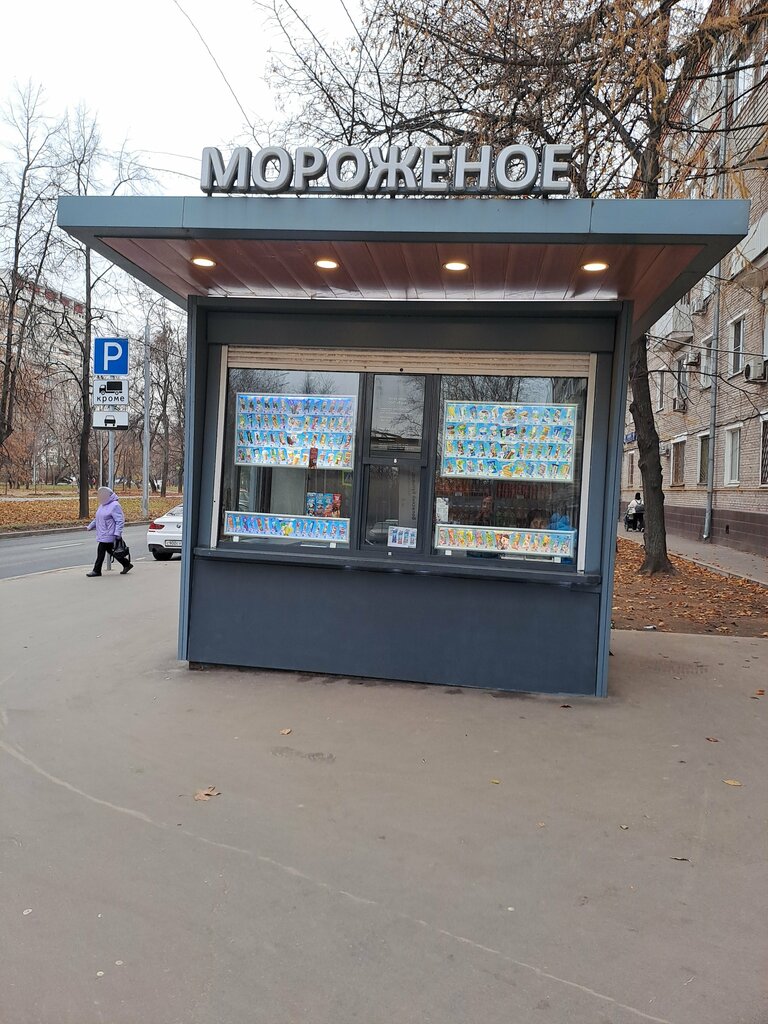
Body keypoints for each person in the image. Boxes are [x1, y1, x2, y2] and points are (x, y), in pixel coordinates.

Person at [85, 487, 133, 577]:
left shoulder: (115, 505)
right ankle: (126, 564)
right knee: (112, 551)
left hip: (110, 534)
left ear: (109, 495)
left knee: (101, 551)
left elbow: (120, 521)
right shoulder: (102, 505)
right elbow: (98, 518)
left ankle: (96, 570)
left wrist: (117, 533)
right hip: (103, 533)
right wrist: (90, 526)